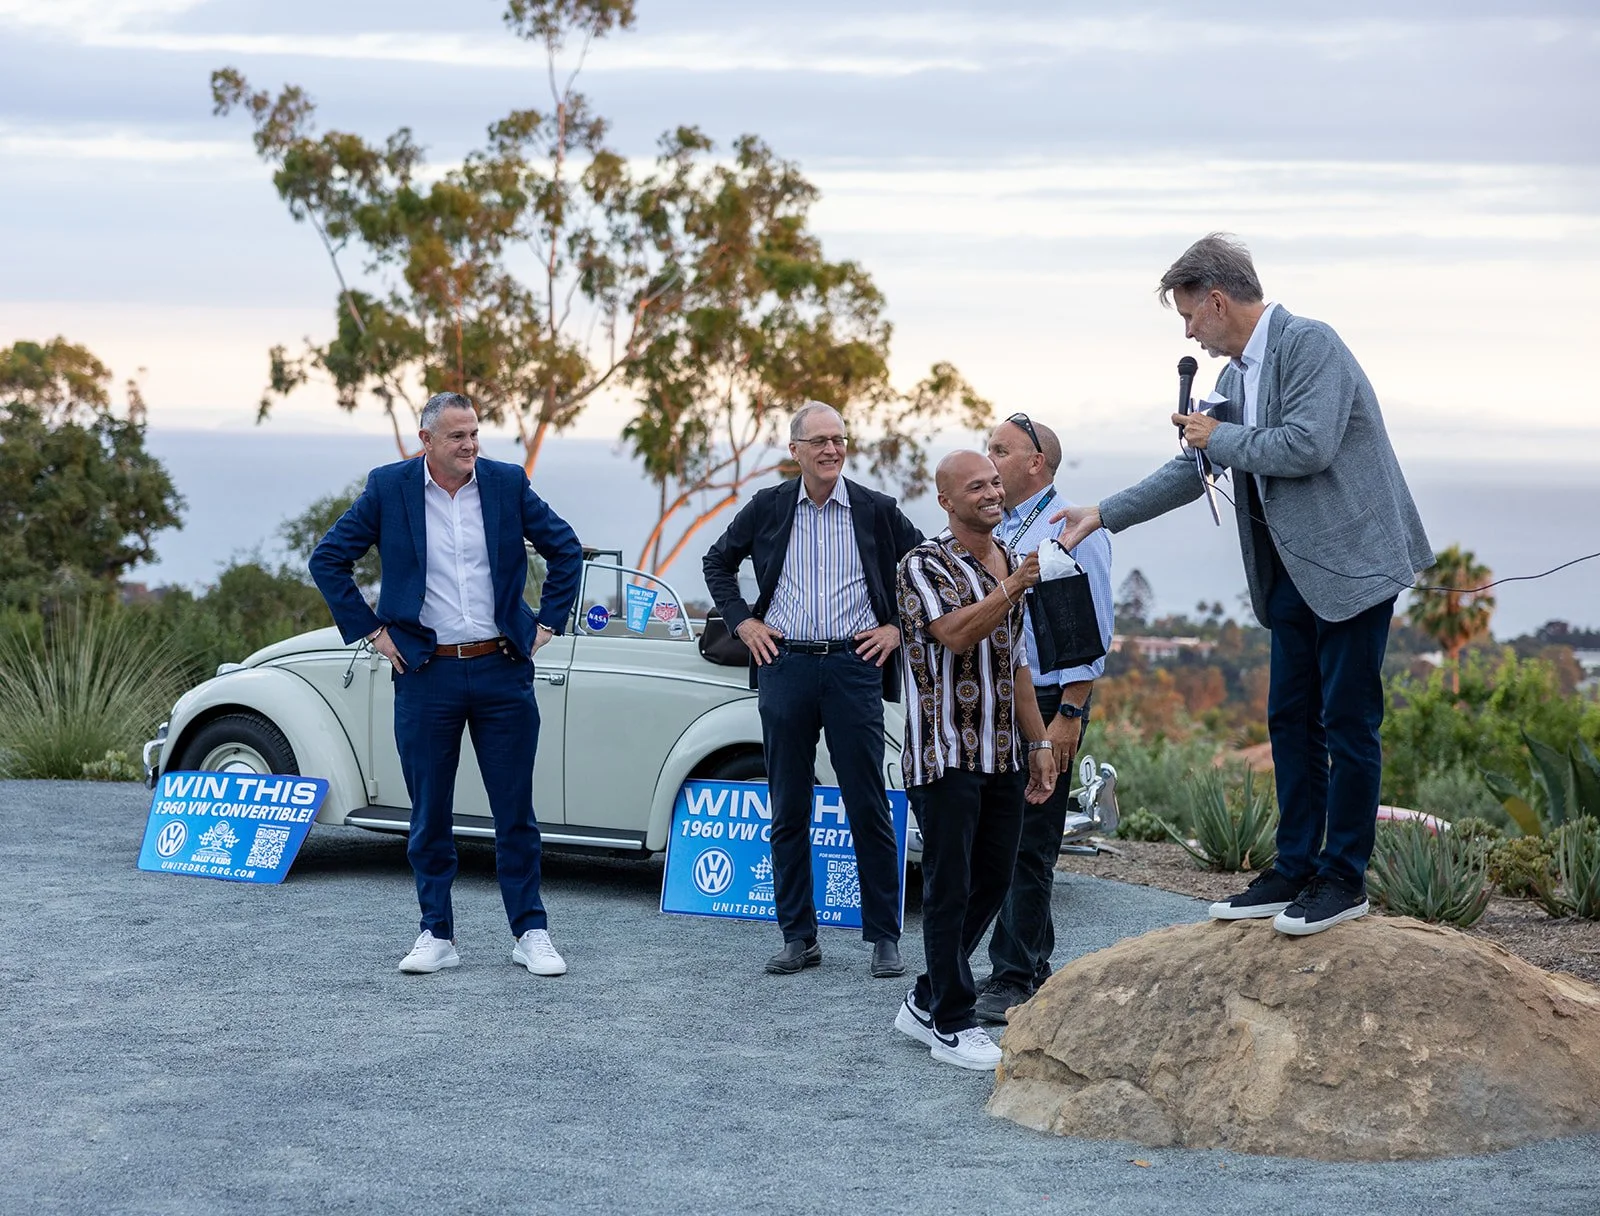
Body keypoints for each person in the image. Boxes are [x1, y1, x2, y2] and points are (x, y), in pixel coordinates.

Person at [1052, 234, 1434, 936]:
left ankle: (1343, 878)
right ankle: (1294, 867)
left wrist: (1212, 439)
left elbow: (1305, 445)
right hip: (1289, 576)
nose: (1189, 329)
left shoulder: (1310, 343)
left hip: (1349, 569)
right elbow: (1194, 468)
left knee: (1348, 725)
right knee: (1290, 721)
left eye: (1189, 315)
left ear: (1218, 300)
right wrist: (1103, 513)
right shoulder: (1237, 378)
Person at [310, 391, 583, 975]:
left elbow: (565, 550)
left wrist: (545, 626)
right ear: (426, 441)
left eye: (475, 433)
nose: (470, 445)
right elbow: (327, 559)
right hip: (425, 672)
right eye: (457, 436)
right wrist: (374, 634)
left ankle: (530, 932)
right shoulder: (390, 488)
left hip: (502, 668)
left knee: (516, 811)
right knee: (429, 811)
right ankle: (436, 933)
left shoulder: (507, 483)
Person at [702, 401, 923, 979]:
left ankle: (883, 938)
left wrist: (897, 628)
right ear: (795, 450)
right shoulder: (769, 507)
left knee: (867, 803)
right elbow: (717, 562)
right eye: (820, 441)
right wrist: (743, 622)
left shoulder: (876, 511)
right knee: (789, 806)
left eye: (840, 439)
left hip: (854, 669)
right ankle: (798, 937)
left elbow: (926, 566)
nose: (832, 450)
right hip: (785, 666)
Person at [892, 451, 1058, 1071]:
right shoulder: (922, 563)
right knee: (948, 886)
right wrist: (1012, 588)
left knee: (992, 879)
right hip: (945, 754)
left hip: (1003, 754)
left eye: (994, 482)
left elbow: (1015, 663)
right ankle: (952, 1022)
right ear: (946, 501)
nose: (991, 493)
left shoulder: (1009, 558)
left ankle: (926, 998)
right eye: (976, 487)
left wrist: (1039, 744)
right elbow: (956, 633)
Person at [973, 414, 1113, 1024]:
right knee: (1007, 834)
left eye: (1000, 451)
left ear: (1036, 462)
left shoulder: (1069, 529)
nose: (989, 462)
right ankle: (1030, 963)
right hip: (1005, 699)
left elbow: (1092, 631)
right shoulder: (997, 530)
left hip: (1054, 703)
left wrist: (1070, 717)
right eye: (986, 450)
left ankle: (1011, 977)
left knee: (1030, 841)